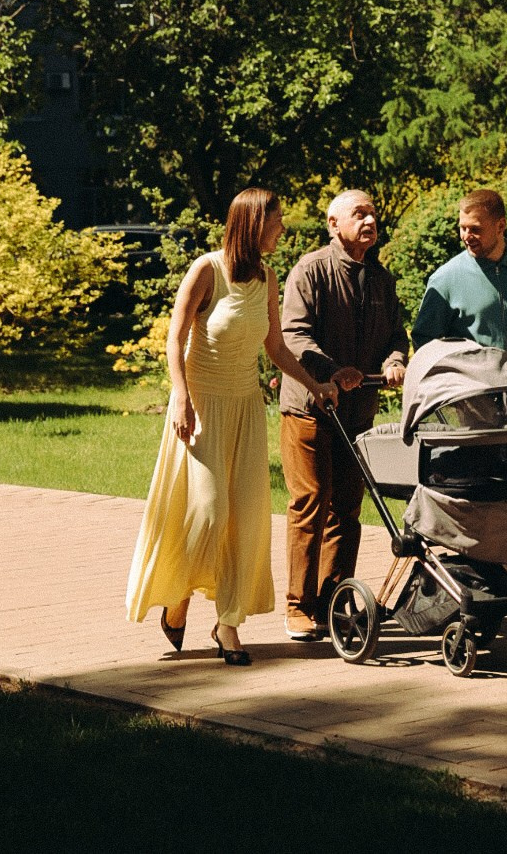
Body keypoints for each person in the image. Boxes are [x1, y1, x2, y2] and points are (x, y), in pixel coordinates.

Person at [126, 188, 338, 666]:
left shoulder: (267, 276)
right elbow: (174, 337)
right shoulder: (207, 270)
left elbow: (277, 350)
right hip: (201, 406)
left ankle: (229, 624)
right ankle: (177, 596)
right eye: (277, 221)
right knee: (209, 511)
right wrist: (179, 397)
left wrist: (316, 385)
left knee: (244, 521)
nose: (282, 229)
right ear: (253, 223)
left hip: (244, 407)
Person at [278, 189, 409, 641]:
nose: (370, 219)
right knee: (310, 503)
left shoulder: (381, 280)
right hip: (310, 407)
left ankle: (333, 599)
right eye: (359, 213)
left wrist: (393, 361)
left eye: (373, 212)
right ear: (333, 224)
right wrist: (331, 372)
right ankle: (298, 606)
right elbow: (293, 336)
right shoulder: (310, 270)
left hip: (357, 414)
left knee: (347, 511)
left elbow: (396, 333)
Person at [412, 188, 507, 431]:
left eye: (475, 229)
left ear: (500, 225)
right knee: (477, 470)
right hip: (472, 406)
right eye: (462, 227)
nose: (466, 236)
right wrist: (454, 393)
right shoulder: (445, 279)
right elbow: (425, 343)